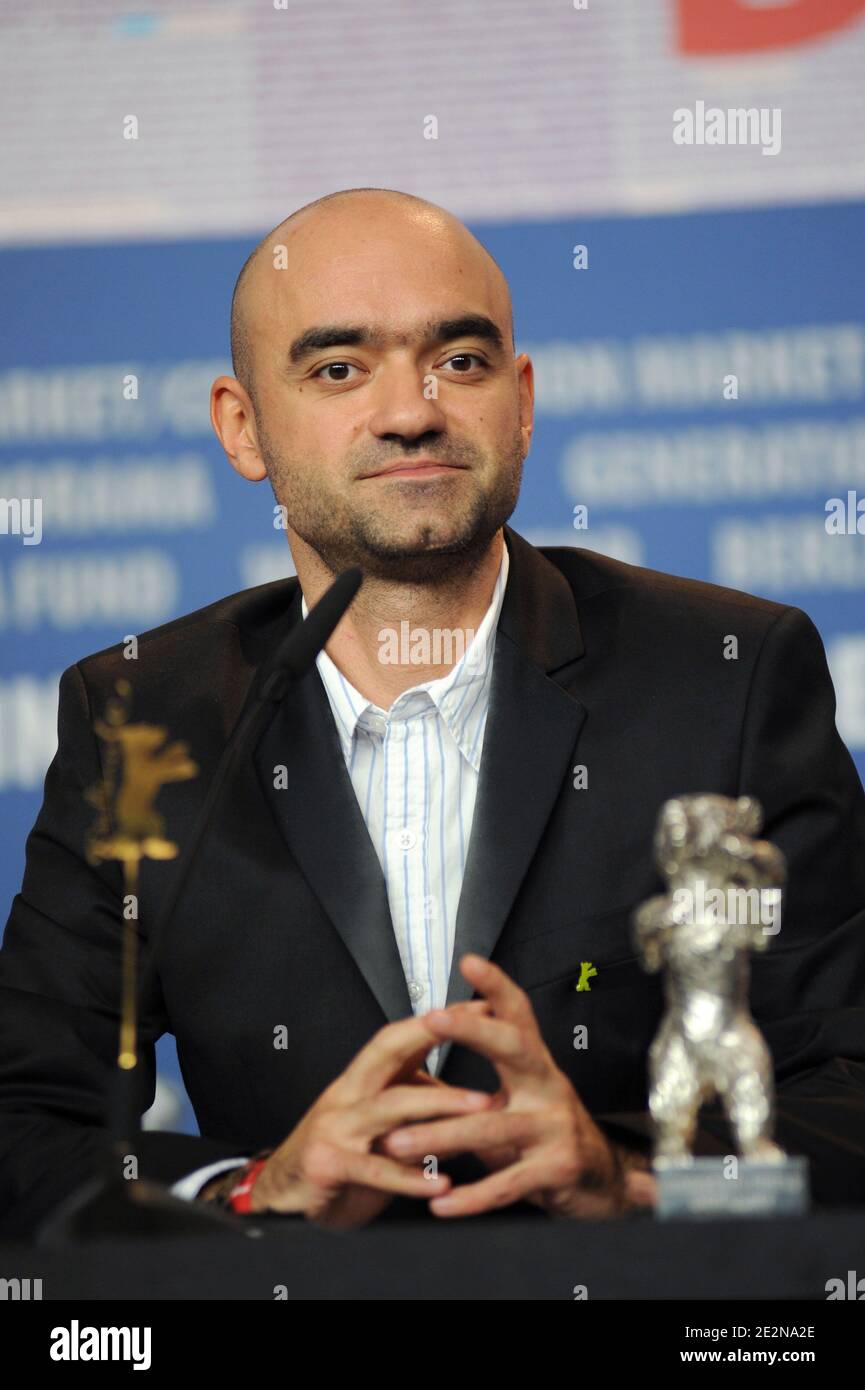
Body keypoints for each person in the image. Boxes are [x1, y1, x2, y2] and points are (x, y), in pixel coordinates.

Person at [2, 189, 864, 1238]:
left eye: (459, 361)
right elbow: (27, 1122)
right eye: (338, 369)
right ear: (242, 426)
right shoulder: (140, 715)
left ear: (523, 400)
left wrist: (630, 1177)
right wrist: (255, 1186)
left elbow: (847, 1088)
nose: (411, 410)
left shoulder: (724, 677)